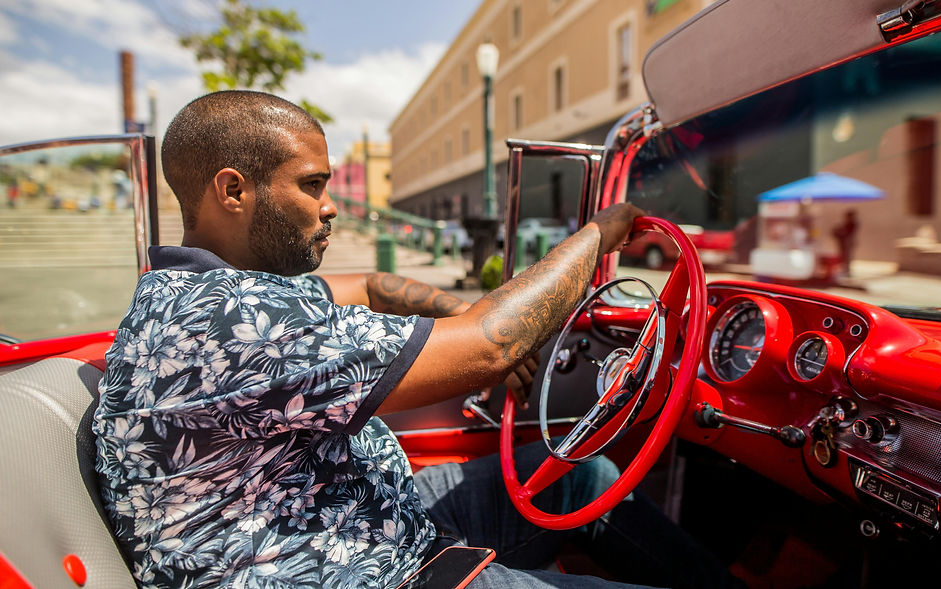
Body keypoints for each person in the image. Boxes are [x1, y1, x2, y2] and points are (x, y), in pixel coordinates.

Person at [93, 90, 739, 589]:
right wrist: (602, 230)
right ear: (233, 190)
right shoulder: (231, 321)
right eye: (312, 185)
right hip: (362, 570)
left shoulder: (204, 292)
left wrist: (461, 312)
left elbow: (374, 285)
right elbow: (490, 345)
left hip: (362, 518)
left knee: (578, 475)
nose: (331, 205)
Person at [832, 209, 858, 276]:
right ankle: (845, 269)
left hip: (847, 243)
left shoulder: (852, 223)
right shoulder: (848, 223)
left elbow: (846, 233)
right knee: (844, 256)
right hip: (844, 243)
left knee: (847, 257)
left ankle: (846, 270)